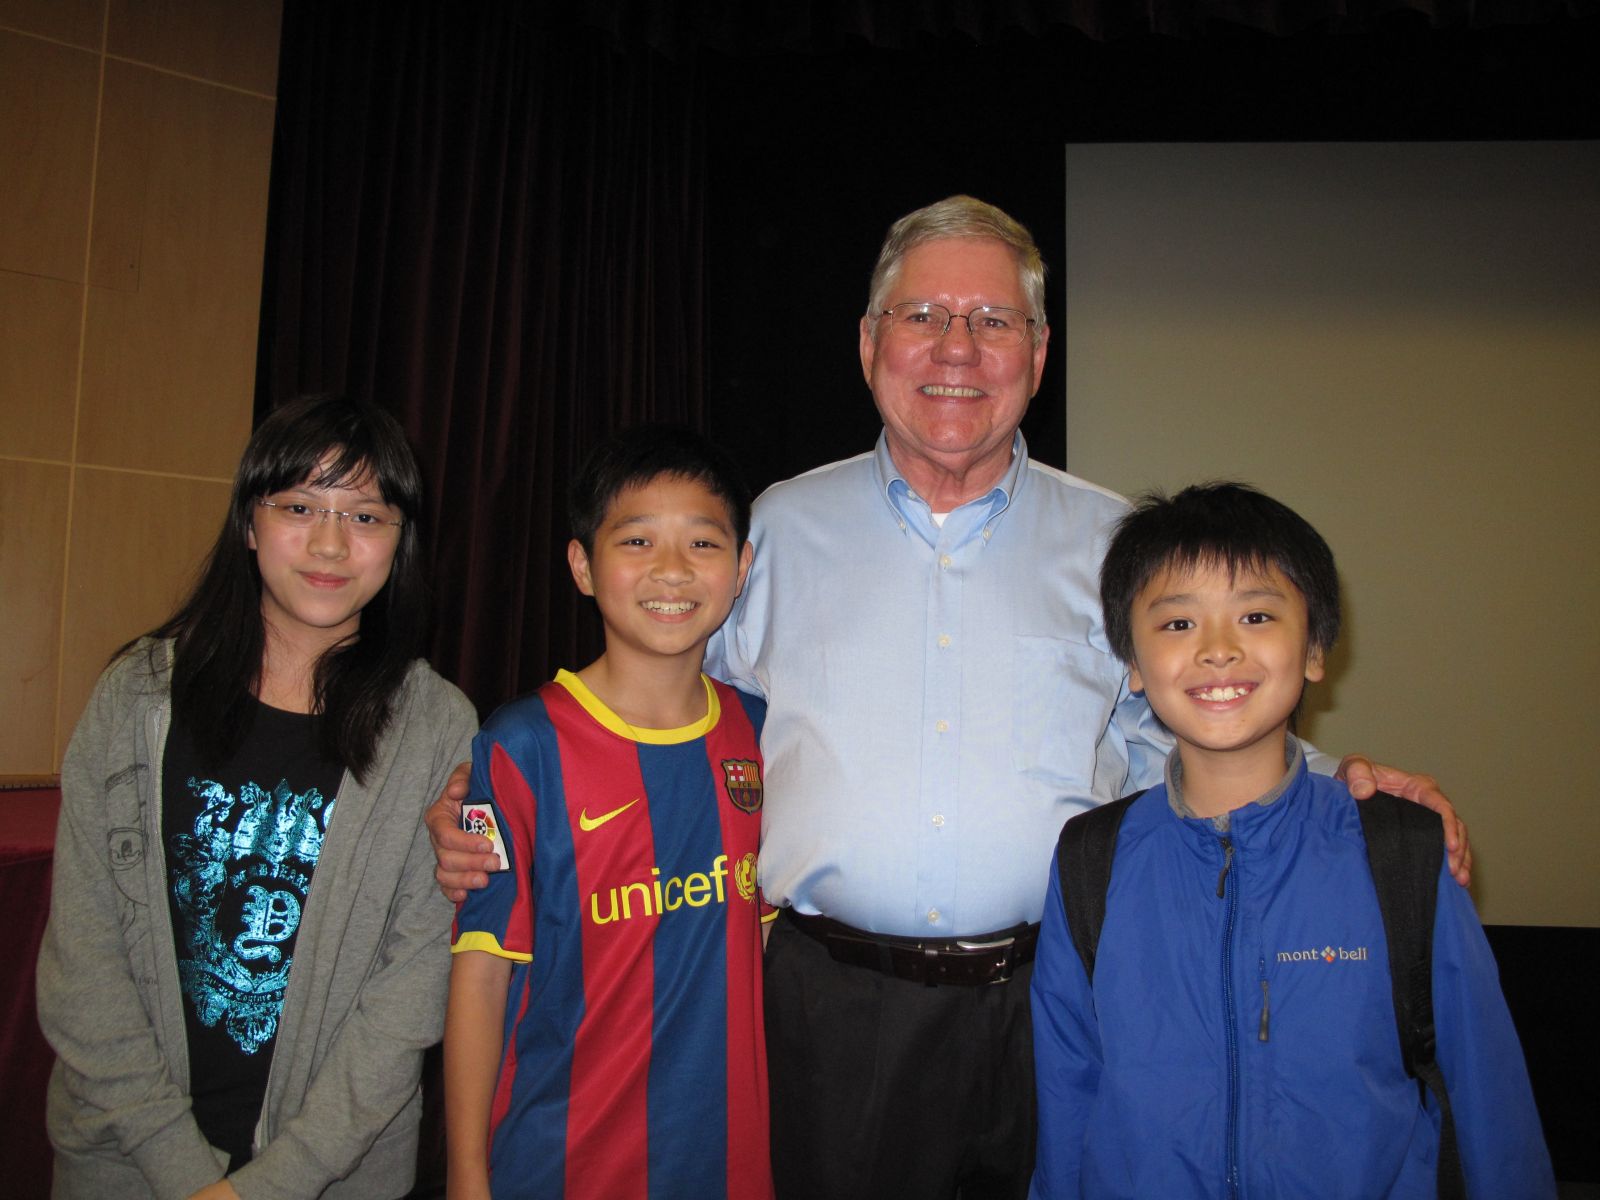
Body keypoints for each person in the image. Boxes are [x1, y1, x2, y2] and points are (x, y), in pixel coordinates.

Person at [427, 197, 1467, 1198]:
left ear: (1039, 352)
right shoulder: (776, 532)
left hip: (1058, 994)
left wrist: (1344, 792)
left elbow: (1201, 722)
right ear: (871, 341)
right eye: (923, 317)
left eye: (991, 321)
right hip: (826, 1006)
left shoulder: (1116, 544)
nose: (956, 348)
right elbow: (670, 719)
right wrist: (498, 808)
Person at [1029, 482, 1552, 1199]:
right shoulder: (1091, 859)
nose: (1217, 650)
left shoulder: (1398, 850)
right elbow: (1067, 1099)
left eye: (1256, 614)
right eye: (1178, 624)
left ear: (1313, 650)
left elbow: (1489, 1098)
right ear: (1132, 666)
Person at [37, 396, 477, 1200]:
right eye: (300, 506)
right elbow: (82, 963)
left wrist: (269, 1186)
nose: (331, 543)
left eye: (367, 516)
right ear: (248, 521)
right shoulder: (138, 695)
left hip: (335, 1172)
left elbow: (411, 989)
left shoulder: (437, 726)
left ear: (400, 540)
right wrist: (184, 1171)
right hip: (126, 1162)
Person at [443, 425, 774, 1200]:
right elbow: (482, 975)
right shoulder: (521, 746)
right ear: (583, 566)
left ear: (741, 568)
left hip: (728, 1162)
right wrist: (465, 1177)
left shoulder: (761, 735)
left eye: (702, 543)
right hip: (561, 1163)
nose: (671, 570)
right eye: (636, 541)